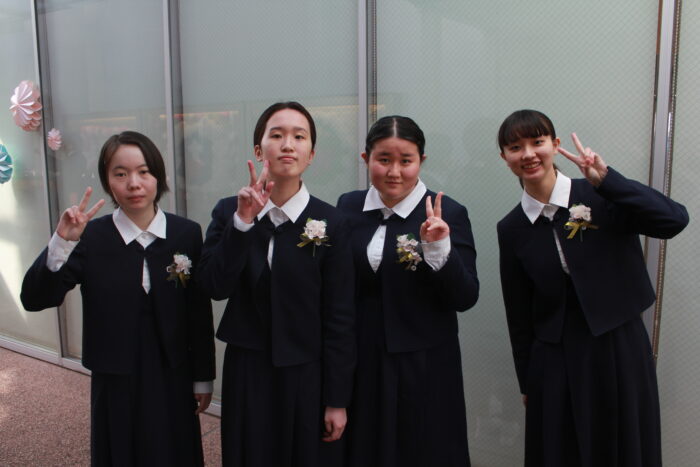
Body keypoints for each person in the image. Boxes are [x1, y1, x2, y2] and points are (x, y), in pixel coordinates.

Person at [496, 109, 689, 466]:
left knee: (623, 446)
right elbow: (518, 311)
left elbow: (674, 220)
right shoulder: (511, 227)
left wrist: (608, 180)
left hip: (619, 345)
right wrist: (527, 381)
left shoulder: (598, 193)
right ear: (504, 157)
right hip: (554, 358)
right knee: (563, 450)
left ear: (555, 145)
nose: (528, 154)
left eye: (537, 142)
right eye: (515, 147)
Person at [21, 131, 215, 466]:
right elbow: (35, 298)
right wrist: (61, 242)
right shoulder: (91, 236)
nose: (134, 183)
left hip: (172, 371)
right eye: (121, 174)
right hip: (114, 374)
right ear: (107, 182)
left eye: (144, 171)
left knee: (174, 450)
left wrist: (203, 376)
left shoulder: (185, 233)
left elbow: (198, 312)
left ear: (158, 177)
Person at [198, 101, 355, 467]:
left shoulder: (332, 222)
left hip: (307, 370)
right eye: (277, 135)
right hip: (247, 367)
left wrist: (337, 399)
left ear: (311, 154)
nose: (288, 145)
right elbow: (213, 286)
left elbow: (341, 316)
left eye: (299, 137)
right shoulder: (229, 211)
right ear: (258, 150)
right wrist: (242, 223)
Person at [334, 115, 479, 467]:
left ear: (421, 161)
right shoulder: (348, 206)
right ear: (366, 158)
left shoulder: (448, 212)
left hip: (425, 362)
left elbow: (466, 297)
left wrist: (438, 248)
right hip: (364, 357)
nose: (394, 172)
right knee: (366, 448)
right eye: (383, 159)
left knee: (424, 450)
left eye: (406, 161)